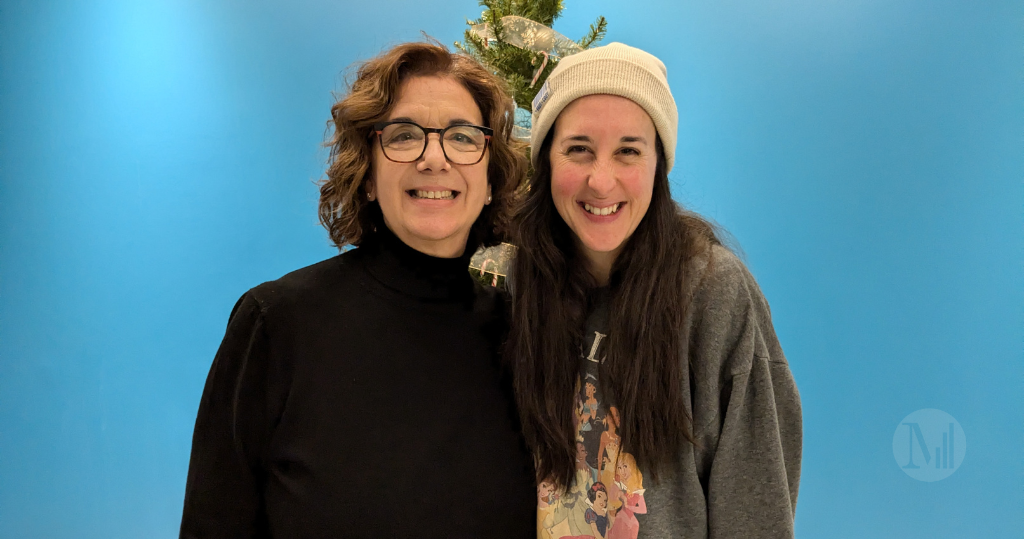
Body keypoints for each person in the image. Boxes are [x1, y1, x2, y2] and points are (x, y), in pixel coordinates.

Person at [179, 41, 536, 538]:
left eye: (461, 136)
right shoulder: (277, 324)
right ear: (367, 174)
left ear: (491, 177)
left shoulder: (533, 330)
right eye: (405, 135)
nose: (435, 158)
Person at [505, 42, 802, 538]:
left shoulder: (713, 292)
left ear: (659, 164)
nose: (602, 181)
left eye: (628, 151)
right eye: (578, 149)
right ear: (547, 162)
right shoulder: (522, 285)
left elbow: (756, 506)